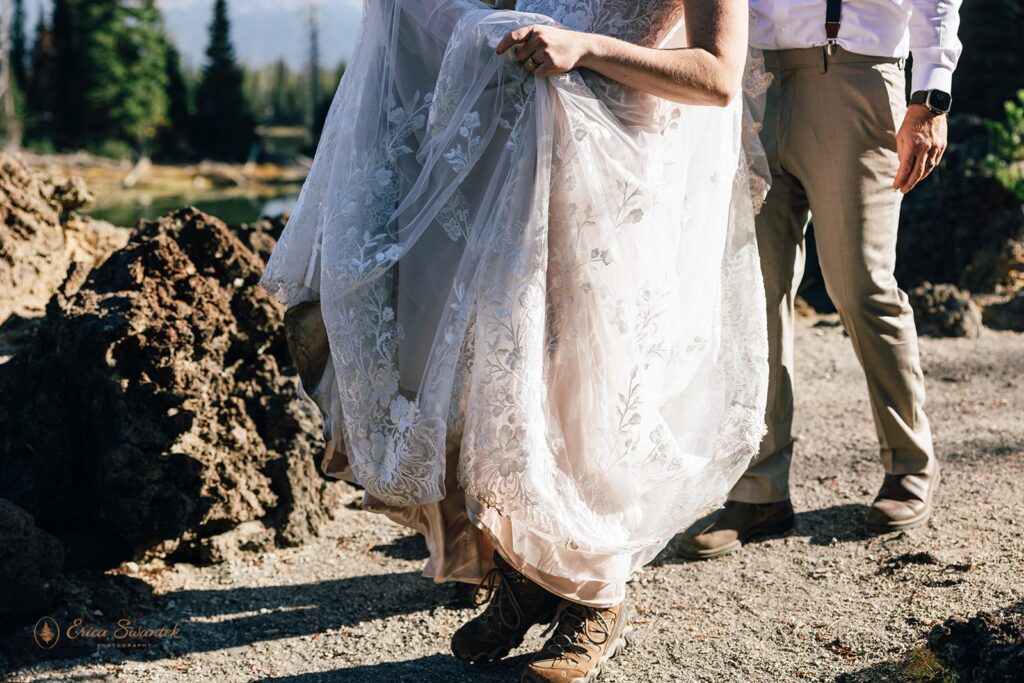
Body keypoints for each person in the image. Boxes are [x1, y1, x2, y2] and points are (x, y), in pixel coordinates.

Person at [259, 0, 770, 679]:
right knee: (511, 376)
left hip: (610, 176)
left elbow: (715, 76)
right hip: (516, 166)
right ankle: (529, 574)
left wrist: (583, 49)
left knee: (590, 385)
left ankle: (596, 599)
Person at [677, 0, 963, 561]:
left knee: (861, 286)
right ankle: (758, 488)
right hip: (747, 74)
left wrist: (932, 94)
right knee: (751, 292)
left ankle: (909, 464)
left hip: (854, 72)